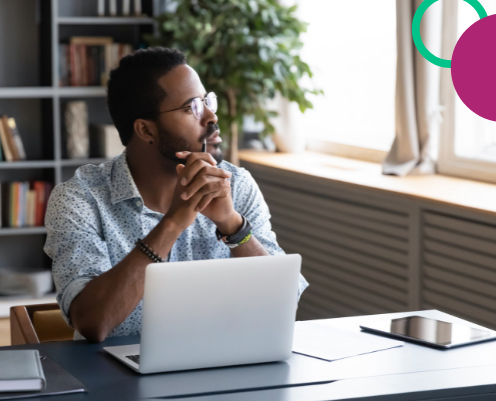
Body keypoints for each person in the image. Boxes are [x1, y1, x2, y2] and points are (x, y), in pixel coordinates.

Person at [43, 47, 308, 343]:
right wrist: (172, 224)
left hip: (228, 367)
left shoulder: (237, 185)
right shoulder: (80, 199)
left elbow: (286, 304)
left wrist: (232, 225)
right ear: (146, 130)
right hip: (117, 377)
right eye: (191, 107)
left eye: (208, 101)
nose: (211, 116)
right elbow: (93, 322)